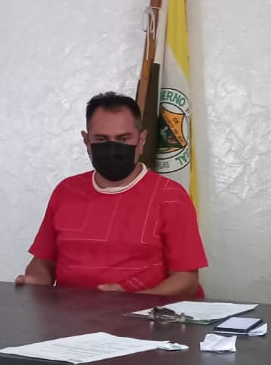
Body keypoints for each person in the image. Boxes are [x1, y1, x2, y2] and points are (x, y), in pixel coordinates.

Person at [18, 91, 206, 297]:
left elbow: (187, 280)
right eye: (101, 139)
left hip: (144, 314)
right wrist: (34, 281)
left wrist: (132, 302)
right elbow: (43, 263)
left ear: (141, 140)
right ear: (87, 141)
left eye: (123, 139)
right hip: (69, 313)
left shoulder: (171, 196)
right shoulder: (66, 191)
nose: (113, 148)